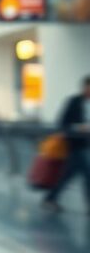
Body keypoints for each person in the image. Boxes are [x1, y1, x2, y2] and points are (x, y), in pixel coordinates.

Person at [43, 76, 90, 212]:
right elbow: (63, 123)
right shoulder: (74, 102)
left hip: (86, 145)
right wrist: (78, 127)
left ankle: (50, 198)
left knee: (68, 175)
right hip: (77, 144)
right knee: (87, 174)